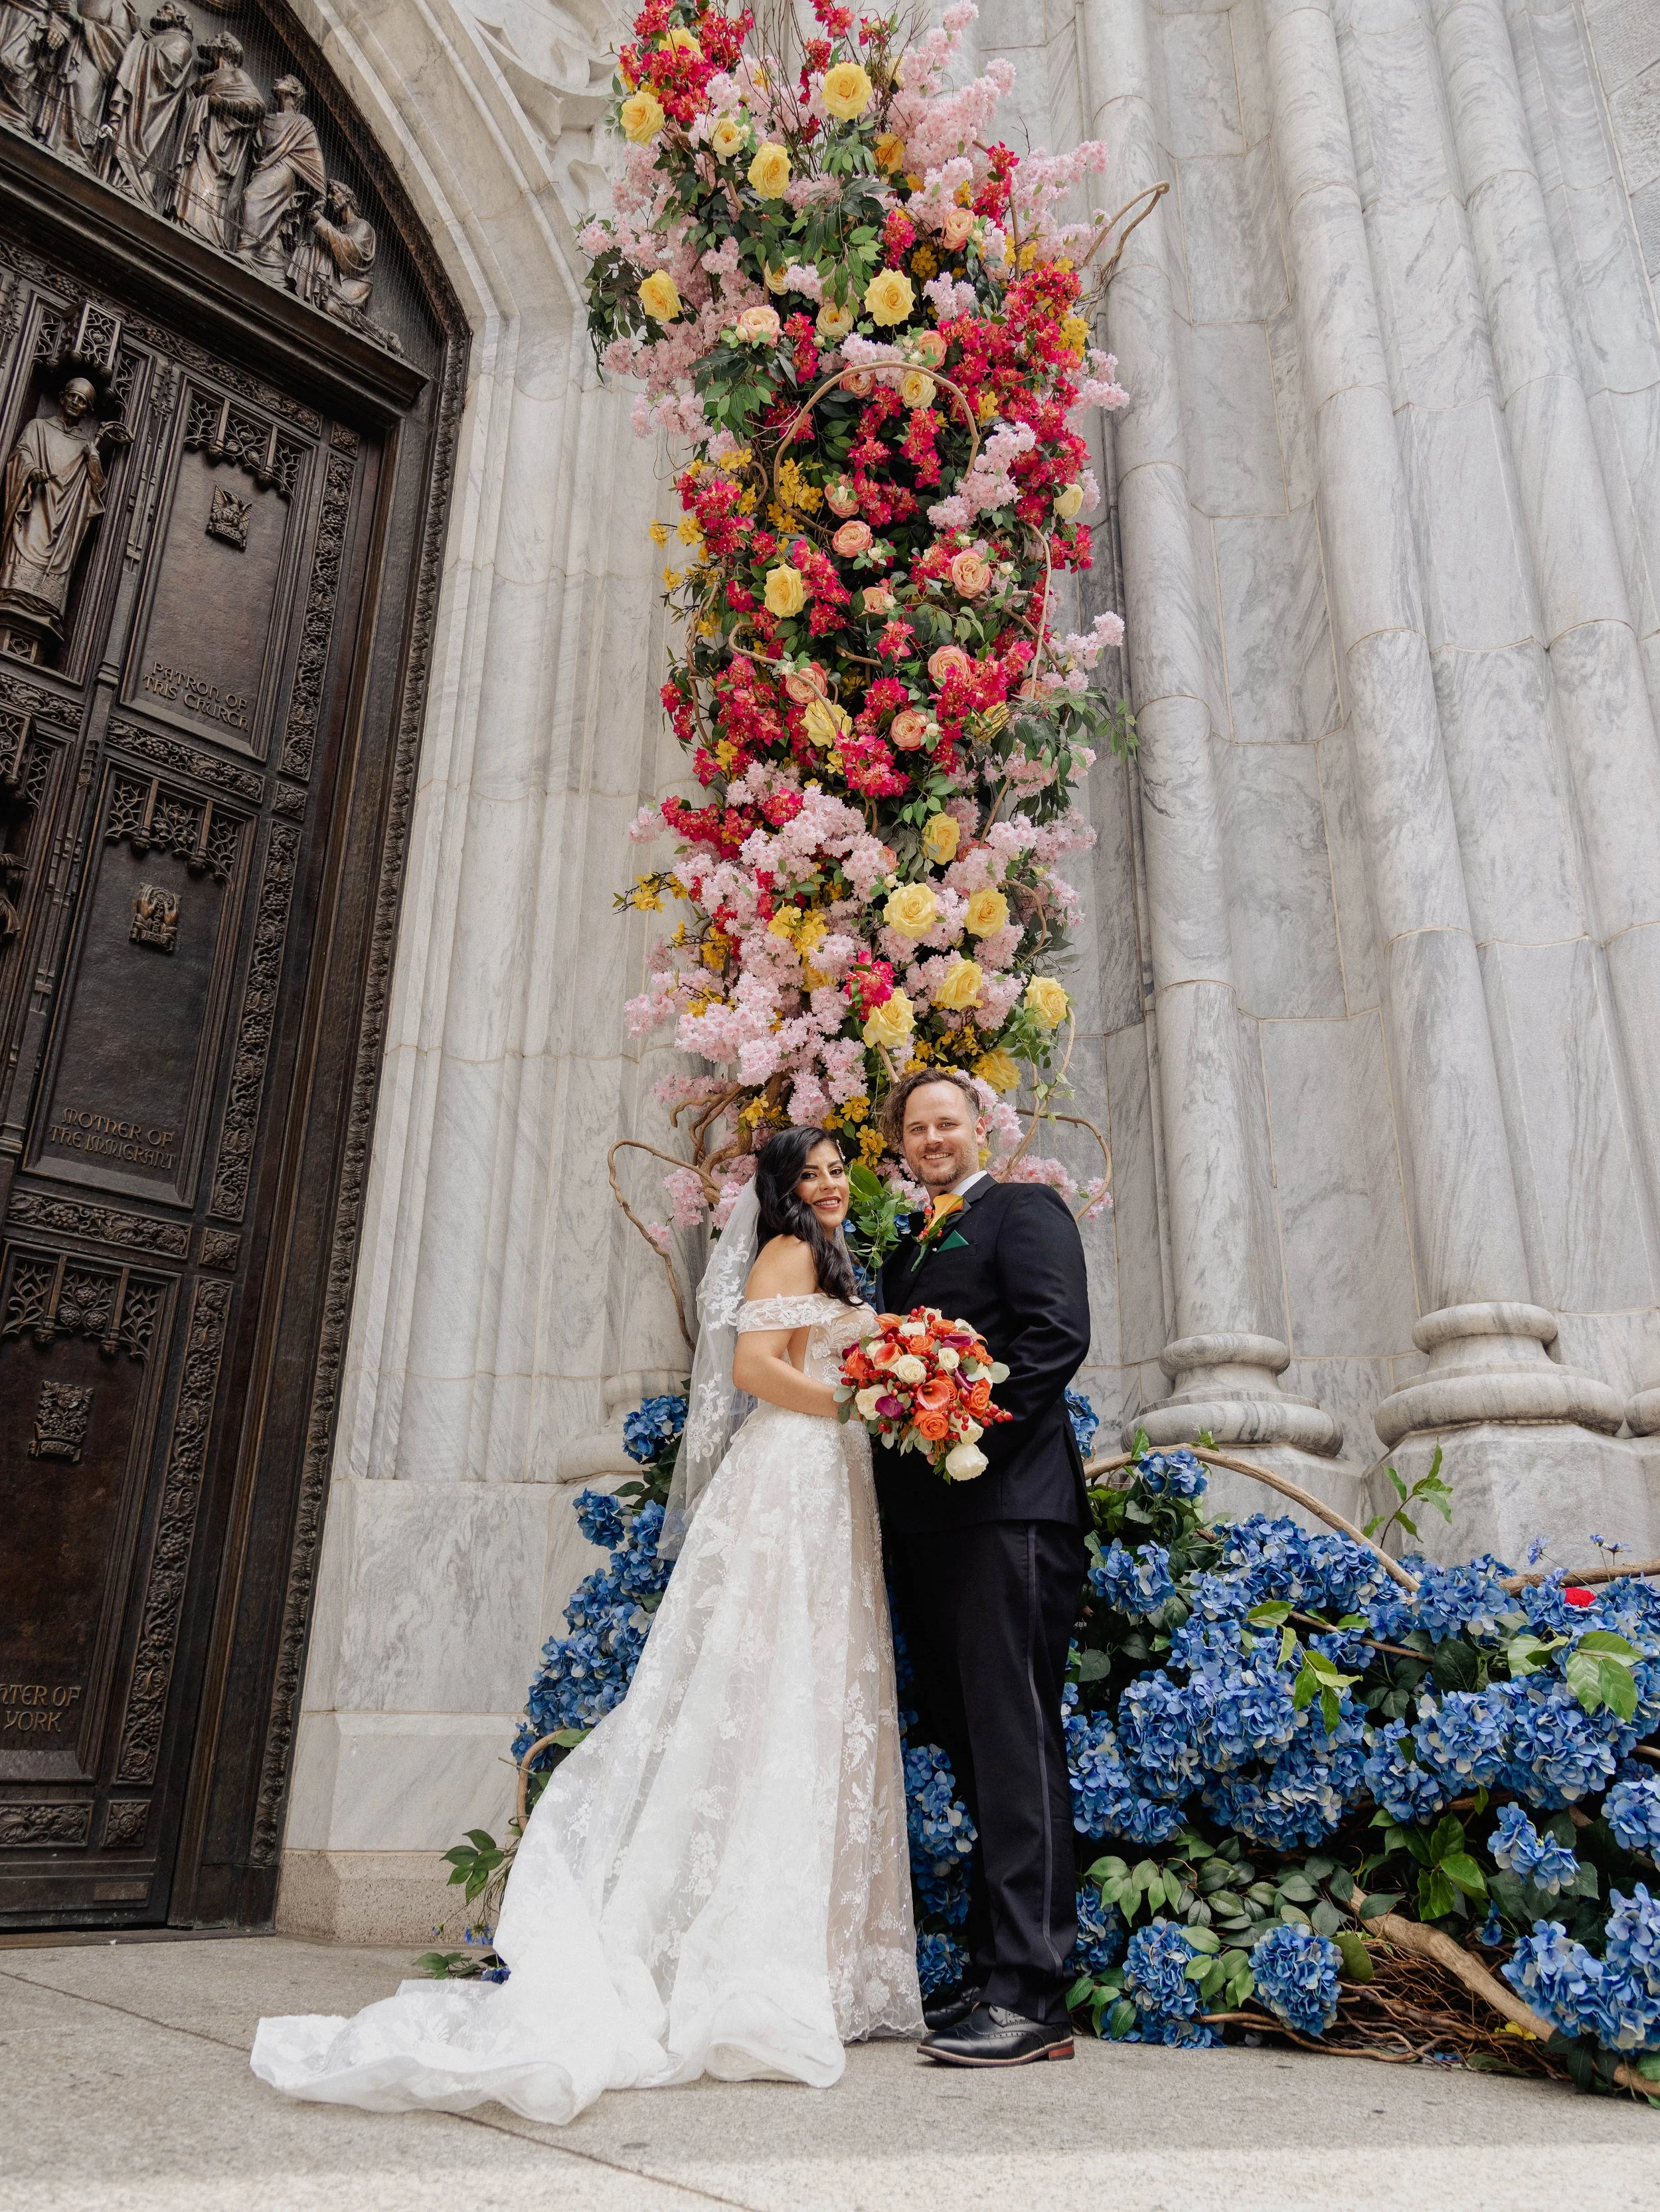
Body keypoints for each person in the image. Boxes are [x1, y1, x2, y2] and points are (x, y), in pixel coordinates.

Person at [251, 1126, 922, 2124]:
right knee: (773, 1679)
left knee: (820, 1686)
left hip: (830, 1481)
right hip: (793, 1471)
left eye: (836, 1168)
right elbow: (752, 1369)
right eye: (811, 1171)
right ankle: (742, 1956)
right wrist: (858, 1399)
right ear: (780, 1191)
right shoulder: (786, 1250)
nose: (829, 1182)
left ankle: (815, 1949)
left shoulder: (830, 1256)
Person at [875, 1068, 1092, 2068]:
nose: (932, 1137)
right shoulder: (904, 1246)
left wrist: (968, 1427)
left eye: (947, 1121)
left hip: (1011, 1512)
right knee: (974, 1746)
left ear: (981, 1129)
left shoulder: (1024, 1209)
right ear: (901, 1144)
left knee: (1013, 1742)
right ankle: (998, 1966)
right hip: (931, 1528)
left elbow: (1054, 1338)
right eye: (916, 1127)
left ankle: (1035, 1989)